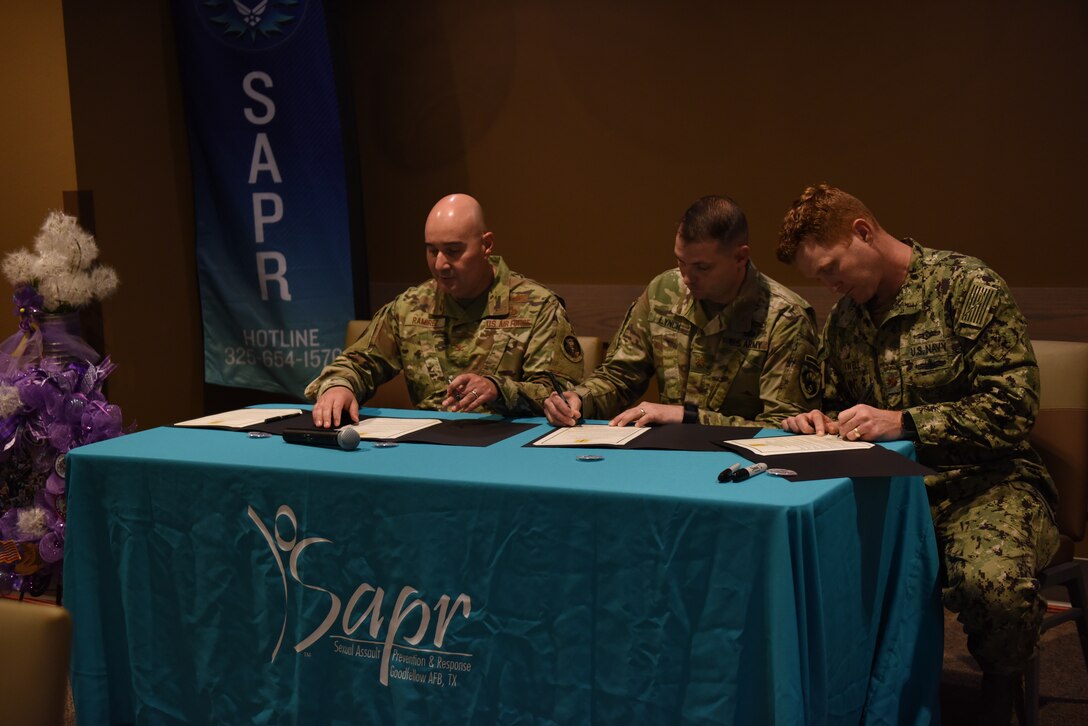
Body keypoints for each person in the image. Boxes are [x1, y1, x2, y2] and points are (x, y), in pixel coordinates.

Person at [775, 183, 1059, 725]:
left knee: (992, 588)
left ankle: (999, 696)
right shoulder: (845, 319)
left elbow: (1013, 408)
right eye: (819, 278)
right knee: (813, 563)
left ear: (864, 233)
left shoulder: (966, 288)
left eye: (833, 267)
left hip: (986, 482)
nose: (830, 285)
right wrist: (820, 420)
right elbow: (838, 405)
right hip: (895, 486)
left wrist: (905, 422)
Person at [543, 195, 821, 428]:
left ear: (740, 257)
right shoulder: (664, 291)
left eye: (702, 267)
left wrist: (689, 418)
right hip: (669, 458)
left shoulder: (784, 317)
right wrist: (580, 398)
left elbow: (783, 428)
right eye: (680, 262)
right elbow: (620, 376)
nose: (687, 277)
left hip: (745, 467)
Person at [306, 193, 584, 426]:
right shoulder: (411, 306)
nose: (440, 264)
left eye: (453, 251)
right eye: (432, 250)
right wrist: (339, 385)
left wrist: (500, 389)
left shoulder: (537, 306)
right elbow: (359, 362)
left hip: (510, 447)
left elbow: (559, 393)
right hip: (427, 446)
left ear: (486, 245)